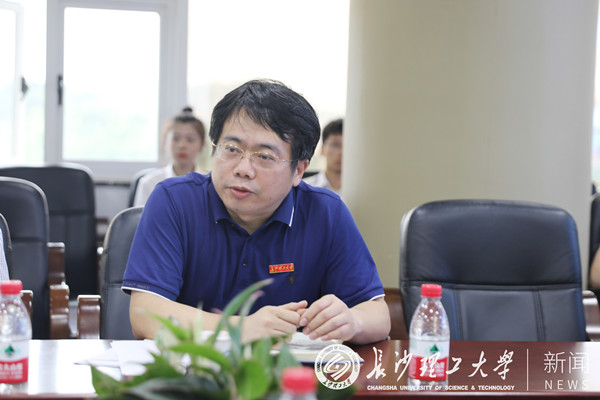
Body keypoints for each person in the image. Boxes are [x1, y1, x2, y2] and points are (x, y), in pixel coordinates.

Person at [122, 79, 390, 344]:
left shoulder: (326, 213)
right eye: (231, 149)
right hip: (192, 368)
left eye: (264, 157)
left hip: (293, 370)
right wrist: (242, 328)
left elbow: (378, 315)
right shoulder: (173, 200)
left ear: (298, 170)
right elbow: (145, 314)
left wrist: (352, 321)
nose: (243, 169)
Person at [132, 107, 207, 206]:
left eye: (190, 139)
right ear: (165, 141)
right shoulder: (149, 183)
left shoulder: (210, 185)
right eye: (176, 138)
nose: (182, 145)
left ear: (202, 144)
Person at [303, 118, 343, 194]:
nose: (341, 152)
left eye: (347, 146)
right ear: (322, 149)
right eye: (335, 145)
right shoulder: (305, 189)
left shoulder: (362, 190)